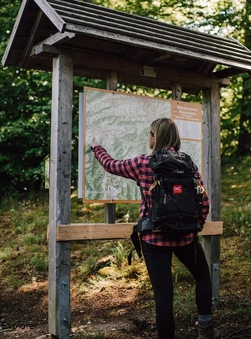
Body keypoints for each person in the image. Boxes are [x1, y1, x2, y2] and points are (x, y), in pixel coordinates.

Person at [89, 117, 219, 339]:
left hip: (154, 239)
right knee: (202, 277)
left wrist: (96, 147)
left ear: (156, 137)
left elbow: (110, 165)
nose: (147, 137)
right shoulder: (188, 164)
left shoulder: (142, 163)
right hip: (186, 238)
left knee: (163, 295)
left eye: (150, 133)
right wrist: (194, 226)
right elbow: (203, 200)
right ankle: (205, 331)